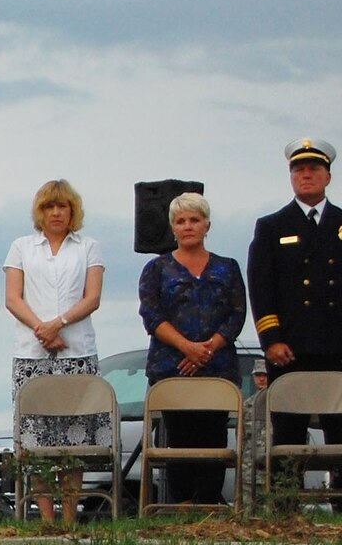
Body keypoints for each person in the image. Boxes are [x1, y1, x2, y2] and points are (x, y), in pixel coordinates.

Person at [3, 178, 105, 525]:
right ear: (40, 212)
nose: (56, 213)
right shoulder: (21, 247)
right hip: (32, 354)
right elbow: (13, 298)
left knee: (73, 437)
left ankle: (69, 517)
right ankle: (46, 518)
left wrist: (58, 323)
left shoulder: (88, 246)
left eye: (62, 206)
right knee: (37, 437)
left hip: (76, 351)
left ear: (72, 210)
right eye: (49, 206)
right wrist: (41, 329)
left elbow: (92, 298)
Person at [137, 192, 247, 506]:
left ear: (206, 225)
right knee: (179, 439)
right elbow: (151, 314)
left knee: (213, 438)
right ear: (173, 227)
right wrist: (187, 347)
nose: (188, 226)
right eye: (181, 221)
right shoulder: (157, 269)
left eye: (194, 220)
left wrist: (209, 348)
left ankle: (210, 503)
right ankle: (182, 503)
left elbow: (236, 313)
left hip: (217, 369)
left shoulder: (228, 267)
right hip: (173, 368)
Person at [248, 138, 342, 449]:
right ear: (291, 177)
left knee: (340, 440)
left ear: (328, 176)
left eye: (314, 168)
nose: (306, 175)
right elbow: (261, 287)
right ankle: (284, 501)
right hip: (290, 349)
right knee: (288, 441)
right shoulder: (272, 226)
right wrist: (271, 340)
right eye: (298, 169)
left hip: (336, 348)